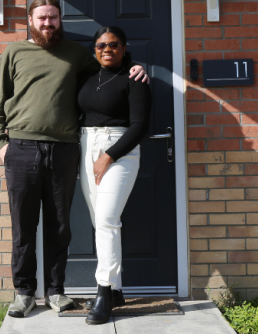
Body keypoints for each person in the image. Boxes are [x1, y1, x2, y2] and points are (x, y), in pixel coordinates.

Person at [0, 0, 148, 318]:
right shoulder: (14, 52)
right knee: (24, 225)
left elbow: (110, 68)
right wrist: (0, 142)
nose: (48, 23)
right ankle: (23, 292)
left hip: (64, 149)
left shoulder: (76, 54)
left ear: (60, 20)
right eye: (42, 18)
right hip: (21, 148)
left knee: (60, 226)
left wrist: (136, 67)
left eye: (53, 18)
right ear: (31, 21)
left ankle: (56, 291)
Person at [76, 26, 152, 325]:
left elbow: (140, 125)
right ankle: (117, 289)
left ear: (124, 47)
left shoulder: (134, 78)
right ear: (94, 48)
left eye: (114, 44)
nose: (107, 49)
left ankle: (103, 291)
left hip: (118, 148)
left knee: (107, 220)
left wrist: (108, 156)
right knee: (102, 223)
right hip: (86, 145)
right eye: (101, 45)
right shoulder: (86, 76)